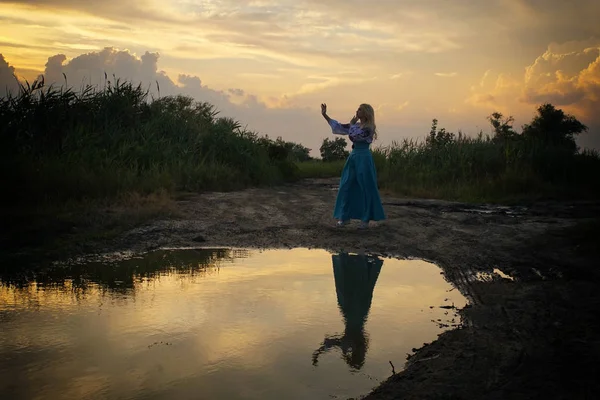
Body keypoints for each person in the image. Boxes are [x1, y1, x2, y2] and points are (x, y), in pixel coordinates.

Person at [320, 103, 386, 229]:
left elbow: (355, 136)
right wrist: (325, 115)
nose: (357, 111)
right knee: (346, 185)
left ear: (366, 112)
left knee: (366, 186)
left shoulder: (369, 127)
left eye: (360, 109)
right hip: (354, 157)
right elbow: (339, 127)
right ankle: (344, 217)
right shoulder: (355, 126)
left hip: (364, 157)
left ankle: (365, 219)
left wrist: (351, 125)